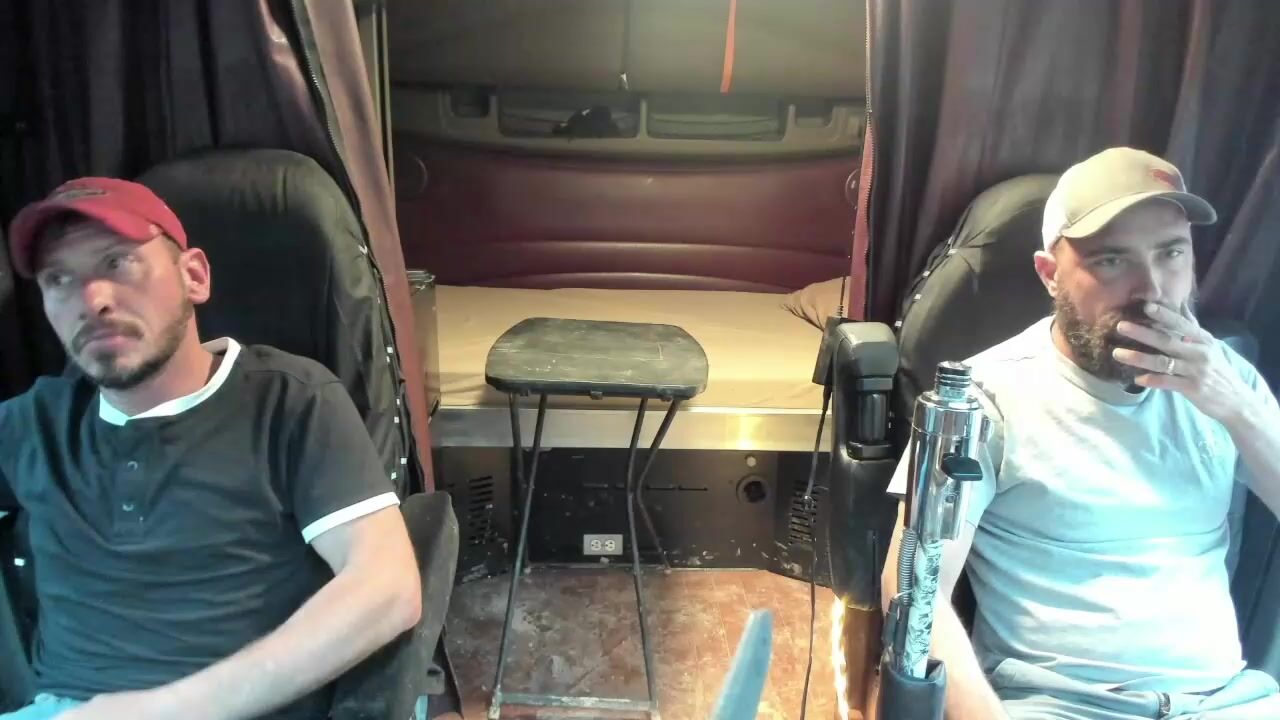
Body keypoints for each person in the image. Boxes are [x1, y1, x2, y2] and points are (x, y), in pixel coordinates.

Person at [0, 177, 423, 720]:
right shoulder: (37, 421)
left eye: (118, 263)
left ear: (194, 276)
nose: (92, 300)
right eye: (59, 279)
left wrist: (161, 711)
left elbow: (387, 588)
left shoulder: (288, 401)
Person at [883, 147, 1280, 719]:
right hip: (1060, 705)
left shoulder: (1226, 379)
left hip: (1228, 701)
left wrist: (1239, 409)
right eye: (1112, 260)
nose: (1152, 289)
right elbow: (912, 589)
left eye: (1171, 253)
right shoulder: (983, 400)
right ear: (1050, 275)